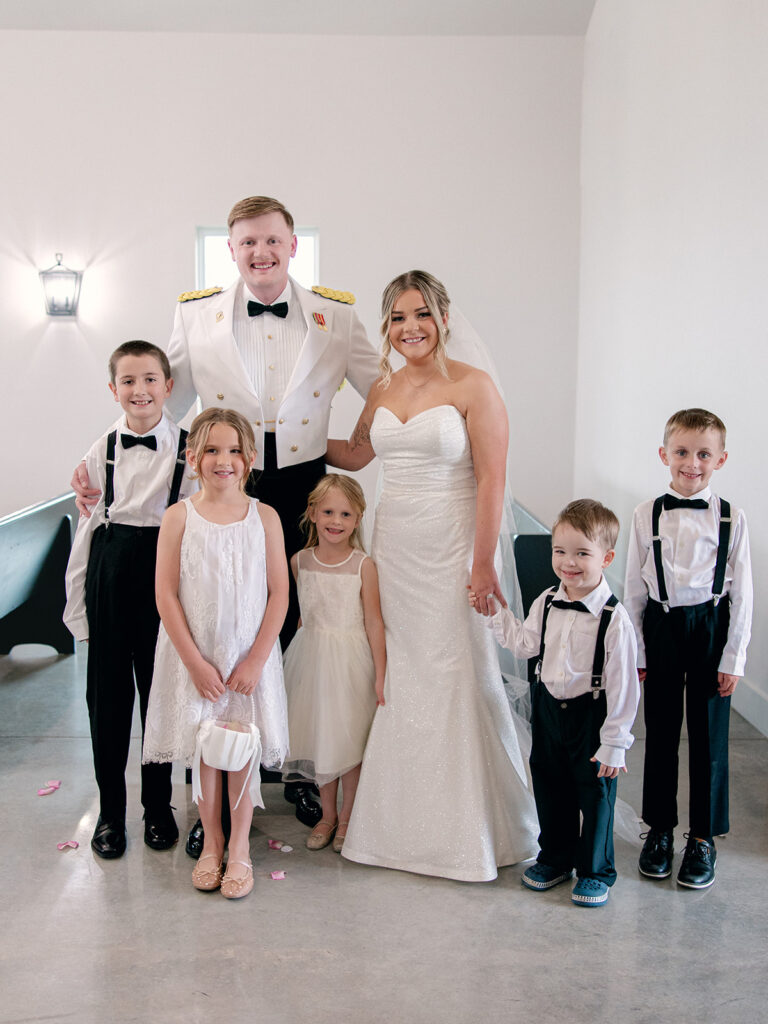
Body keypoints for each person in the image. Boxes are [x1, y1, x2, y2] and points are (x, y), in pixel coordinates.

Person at [71, 195, 380, 844]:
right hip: (224, 481)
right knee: (221, 622)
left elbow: (382, 386)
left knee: (296, 625)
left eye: (272, 240)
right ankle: (212, 776)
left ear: (293, 245)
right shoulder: (197, 315)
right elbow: (156, 401)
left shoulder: (337, 315)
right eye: (247, 243)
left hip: (303, 480)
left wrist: (367, 445)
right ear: (231, 250)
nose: (261, 252)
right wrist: (98, 459)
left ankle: (294, 765)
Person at [326, 270, 538, 882]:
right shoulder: (383, 387)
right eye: (395, 318)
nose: (408, 327)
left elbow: (493, 479)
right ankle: (394, 827)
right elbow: (360, 454)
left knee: (454, 668)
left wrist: (481, 562)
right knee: (403, 671)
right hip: (396, 545)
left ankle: (473, 829)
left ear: (444, 318)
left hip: (453, 545)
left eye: (420, 314)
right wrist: (283, 437)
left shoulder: (475, 387)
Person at [142, 408, 289, 899]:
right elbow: (165, 593)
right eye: (210, 450)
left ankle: (241, 847)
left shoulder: (264, 516)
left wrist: (256, 660)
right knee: (207, 753)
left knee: (242, 752)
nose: (222, 460)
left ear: (249, 459)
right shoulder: (178, 516)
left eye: (232, 451)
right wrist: (194, 663)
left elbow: (279, 596)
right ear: (192, 457)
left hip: (248, 660)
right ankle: (211, 842)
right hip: (197, 658)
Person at [63, 340, 197, 859]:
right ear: (113, 389)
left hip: (163, 573)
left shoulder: (189, 448)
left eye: (149, 380)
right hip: (112, 573)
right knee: (110, 704)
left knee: (159, 700)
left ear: (167, 386)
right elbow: (87, 529)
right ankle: (111, 814)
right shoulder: (101, 451)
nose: (139, 390)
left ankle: (159, 809)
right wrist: (79, 612)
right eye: (128, 381)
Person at [471, 500, 640, 907]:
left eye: (582, 553)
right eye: (560, 551)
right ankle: (555, 858)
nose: (569, 562)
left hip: (592, 715)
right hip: (548, 708)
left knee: (594, 795)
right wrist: (495, 611)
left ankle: (596, 870)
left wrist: (614, 741)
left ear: (607, 558)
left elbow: (624, 687)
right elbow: (525, 644)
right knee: (550, 788)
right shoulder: (546, 601)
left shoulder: (614, 619)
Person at [624, 408, 752, 890]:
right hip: (660, 625)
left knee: (708, 737)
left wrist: (733, 657)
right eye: (681, 452)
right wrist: (638, 651)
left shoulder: (732, 518)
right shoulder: (644, 514)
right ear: (664, 455)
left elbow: (744, 595)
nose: (691, 462)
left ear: (720, 459)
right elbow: (633, 590)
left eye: (703, 453)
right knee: (659, 733)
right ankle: (659, 830)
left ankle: (702, 838)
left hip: (710, 627)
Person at [282, 474, 386, 852]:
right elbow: (302, 615)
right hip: (311, 661)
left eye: (345, 513)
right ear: (312, 513)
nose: (335, 520)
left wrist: (380, 674)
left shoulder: (364, 566)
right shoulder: (299, 562)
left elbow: (374, 622)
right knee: (322, 741)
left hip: (352, 664)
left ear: (357, 519)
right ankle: (326, 815)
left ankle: (347, 818)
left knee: (349, 745)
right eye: (327, 511)